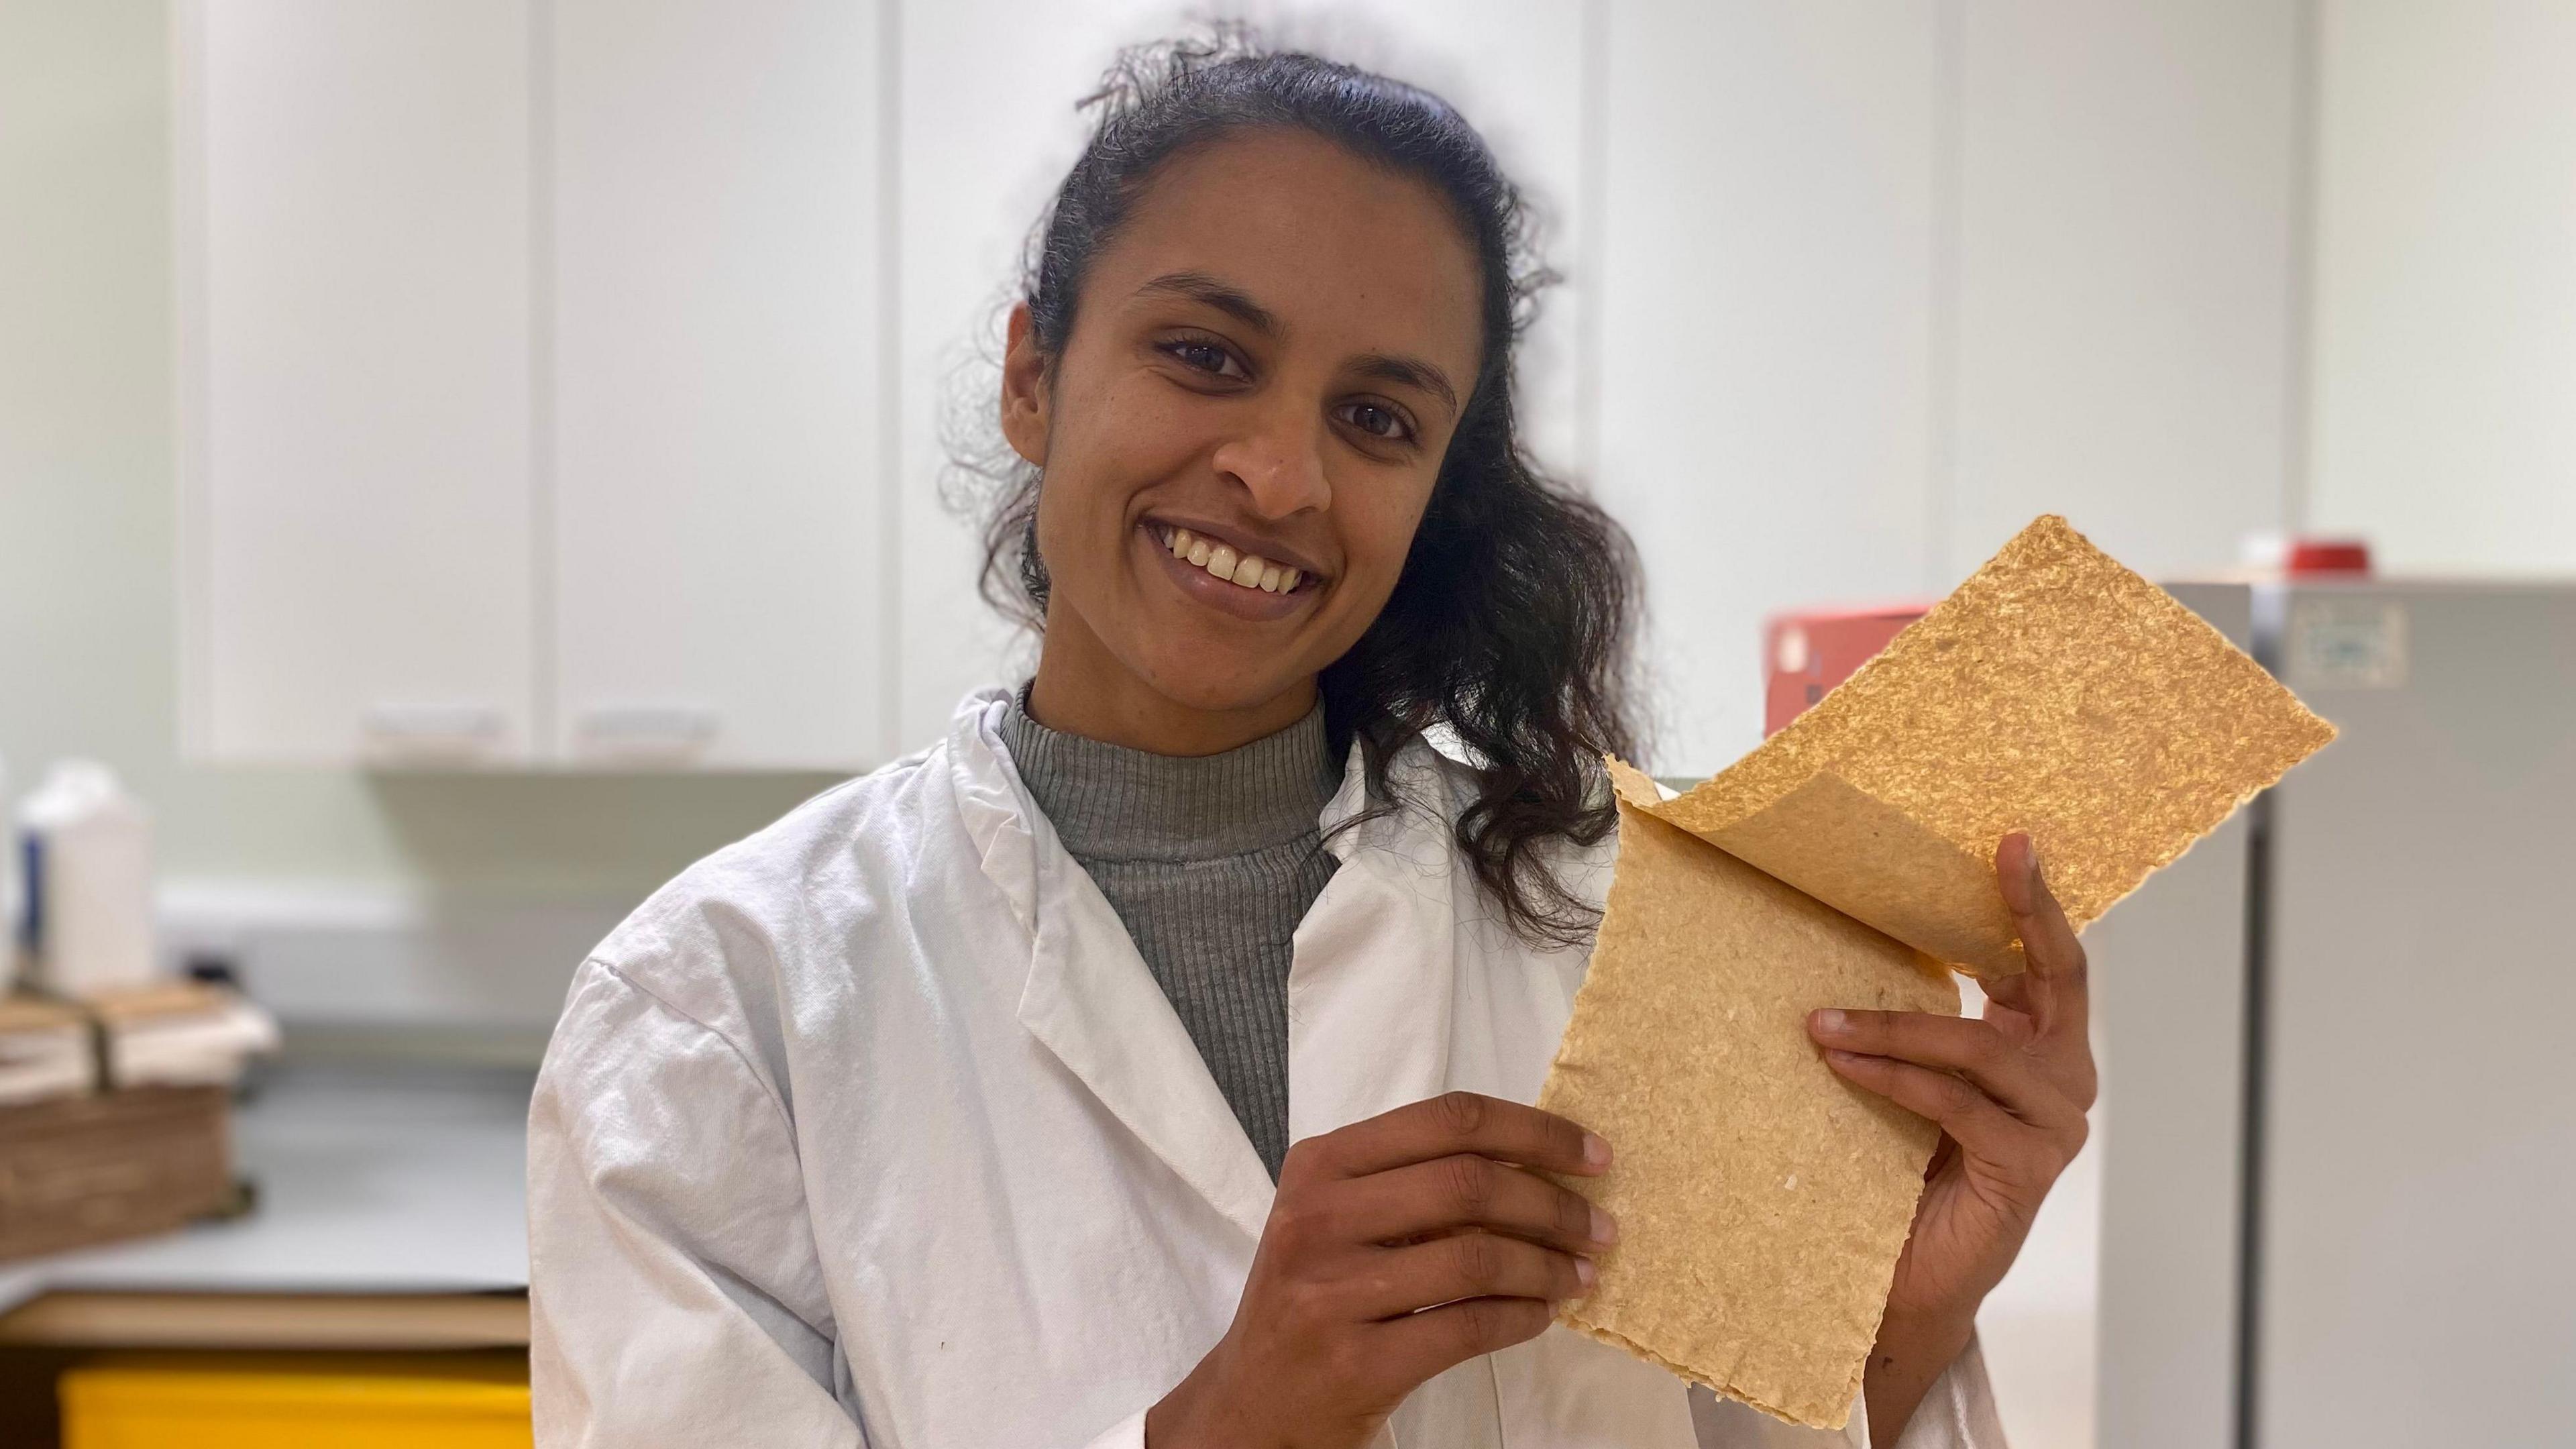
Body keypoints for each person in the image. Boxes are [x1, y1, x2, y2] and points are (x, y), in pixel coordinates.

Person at [527, 38, 2093, 1449]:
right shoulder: (721, 1014)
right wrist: (1231, 1425)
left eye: (1379, 419)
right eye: (1204, 354)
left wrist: (1904, 1325)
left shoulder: (1636, 928)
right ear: (1032, 376)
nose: (1280, 476)